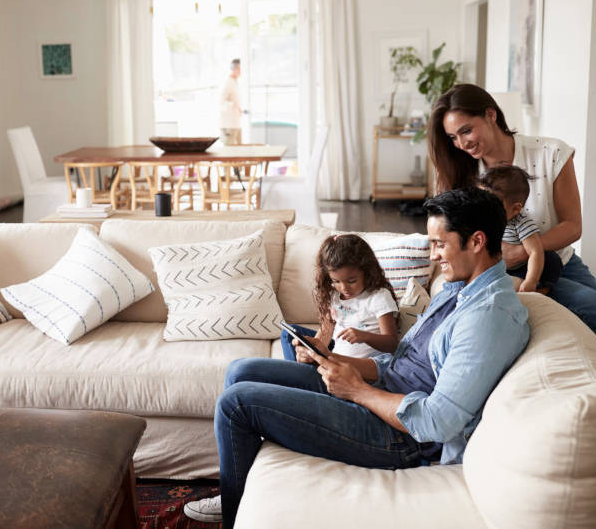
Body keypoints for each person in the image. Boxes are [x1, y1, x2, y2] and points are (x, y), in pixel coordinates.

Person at [183, 187, 530, 527]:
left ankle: (232, 509)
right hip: (379, 392)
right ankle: (239, 487)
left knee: (237, 403)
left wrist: (357, 390)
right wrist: (340, 363)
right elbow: (400, 362)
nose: (434, 255)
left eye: (440, 244)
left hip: (401, 435)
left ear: (476, 241)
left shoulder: (488, 317)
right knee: (241, 370)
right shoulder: (458, 290)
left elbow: (438, 422)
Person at [428, 83, 596, 375]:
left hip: (558, 260)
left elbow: (572, 226)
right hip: (498, 270)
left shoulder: (550, 153)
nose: (461, 144)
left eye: (466, 131)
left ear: (491, 115)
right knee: (591, 306)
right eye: (453, 137)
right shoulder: (462, 171)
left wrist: (522, 251)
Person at [280, 234, 399, 362]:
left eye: (352, 281)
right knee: (289, 335)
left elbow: (392, 344)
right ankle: (301, 370)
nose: (344, 288)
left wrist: (365, 336)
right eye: (336, 281)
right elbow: (324, 335)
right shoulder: (334, 296)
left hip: (357, 367)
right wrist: (310, 353)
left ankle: (299, 372)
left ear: (367, 272)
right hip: (333, 360)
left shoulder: (379, 297)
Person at [478, 165, 562, 293]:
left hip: (522, 269)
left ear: (516, 209)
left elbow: (535, 252)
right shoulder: (482, 219)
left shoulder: (521, 224)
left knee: (551, 259)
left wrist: (531, 280)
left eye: (492, 206)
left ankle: (541, 289)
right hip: (497, 268)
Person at [219, 58, 242, 145]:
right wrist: (233, 105)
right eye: (240, 69)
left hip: (236, 123)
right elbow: (220, 102)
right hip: (229, 124)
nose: (241, 72)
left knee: (239, 149)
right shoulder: (227, 83)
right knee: (230, 149)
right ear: (235, 69)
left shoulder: (235, 82)